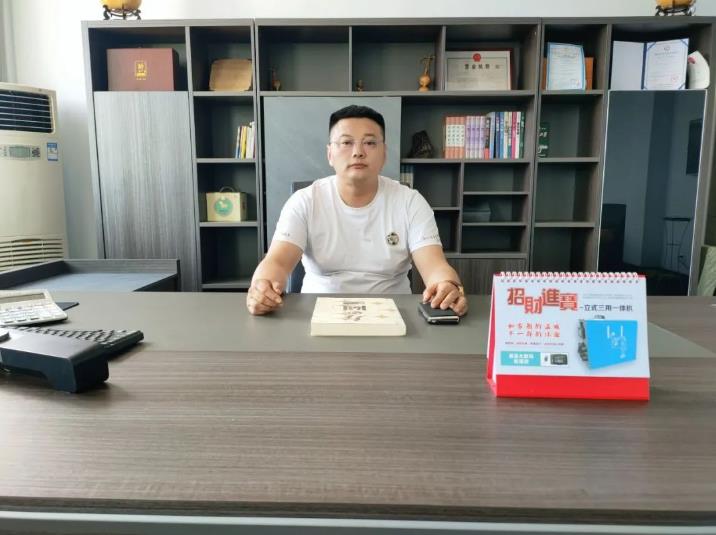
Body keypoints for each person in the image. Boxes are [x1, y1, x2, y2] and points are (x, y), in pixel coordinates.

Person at [246, 104, 469, 317]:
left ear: (384, 153)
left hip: (394, 314)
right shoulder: (304, 201)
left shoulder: (410, 202)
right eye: (346, 142)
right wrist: (262, 287)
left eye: (370, 143)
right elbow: (276, 261)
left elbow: (435, 267)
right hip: (318, 312)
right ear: (330, 153)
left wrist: (447, 286)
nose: (358, 152)